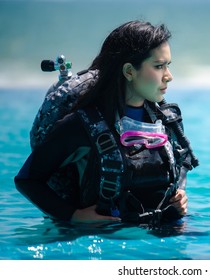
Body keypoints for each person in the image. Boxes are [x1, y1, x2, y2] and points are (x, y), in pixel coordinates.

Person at [14, 20, 198, 226]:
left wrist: (180, 195)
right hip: (106, 242)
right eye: (158, 66)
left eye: (168, 66)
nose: (169, 76)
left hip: (162, 235)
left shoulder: (165, 120)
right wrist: (73, 215)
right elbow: (27, 180)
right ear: (129, 71)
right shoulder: (84, 125)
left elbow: (178, 167)